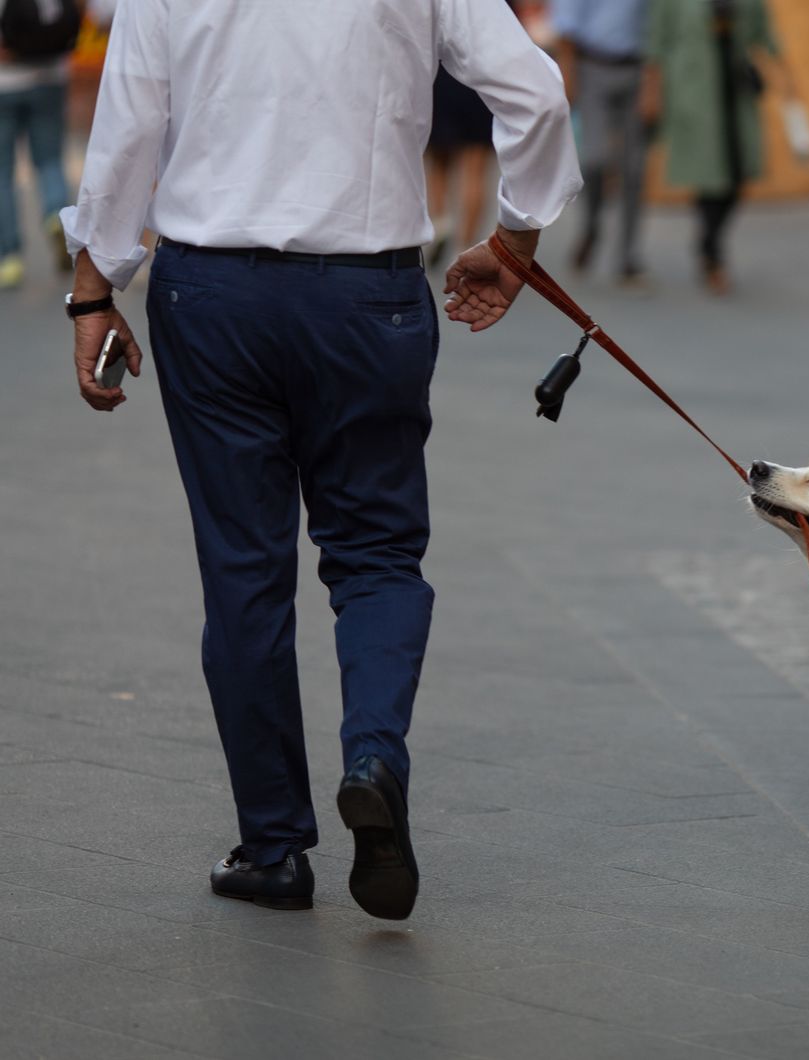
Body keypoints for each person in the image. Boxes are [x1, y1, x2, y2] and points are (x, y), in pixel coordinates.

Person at [61, 0, 580, 918]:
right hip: (366, 295)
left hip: (211, 296)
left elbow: (130, 122)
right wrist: (517, 236)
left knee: (242, 569)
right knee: (377, 553)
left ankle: (273, 847)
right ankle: (374, 754)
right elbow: (534, 92)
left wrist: (95, 287)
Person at [642, 0, 793, 295]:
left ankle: (709, 241)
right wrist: (652, 91)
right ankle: (711, 253)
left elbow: (763, 31)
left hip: (735, 91)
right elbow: (656, 43)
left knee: (738, 174)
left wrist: (785, 73)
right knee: (708, 173)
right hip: (694, 91)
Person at [552, 0, 650, 285]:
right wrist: (567, 75)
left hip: (638, 69)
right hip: (593, 66)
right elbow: (566, 26)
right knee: (594, 159)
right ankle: (592, 227)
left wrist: (654, 80)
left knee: (634, 168)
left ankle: (629, 256)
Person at [0, 0, 80, 289]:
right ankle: (56, 217)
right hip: (50, 79)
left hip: (4, 84)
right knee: (49, 160)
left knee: (3, 174)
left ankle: (8, 256)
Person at [425, 65, 495, 263]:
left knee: (438, 160)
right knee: (476, 167)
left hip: (442, 73)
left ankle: (441, 222)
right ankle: (465, 246)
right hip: (479, 77)